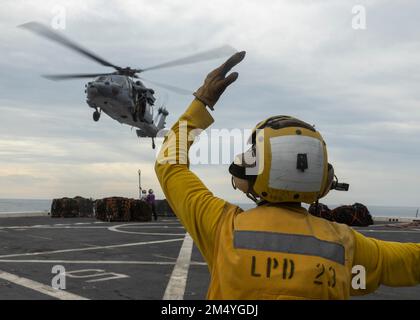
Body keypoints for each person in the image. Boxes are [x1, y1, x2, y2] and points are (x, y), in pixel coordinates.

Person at [155, 51, 420, 299]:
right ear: (325, 181)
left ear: (249, 170)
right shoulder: (344, 245)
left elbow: (169, 165)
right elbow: (409, 261)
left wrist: (200, 103)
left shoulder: (222, 228)